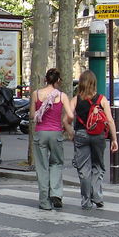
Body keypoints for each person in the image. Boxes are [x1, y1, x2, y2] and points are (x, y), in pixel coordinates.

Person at [67, 69, 118, 210]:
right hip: (98, 135)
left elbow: (67, 119)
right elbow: (110, 120)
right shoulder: (102, 99)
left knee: (83, 169)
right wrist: (114, 139)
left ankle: (86, 200)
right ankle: (97, 195)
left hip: (81, 134)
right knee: (98, 166)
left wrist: (71, 132)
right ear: (94, 83)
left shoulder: (75, 100)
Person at [31, 68, 73, 210]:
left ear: (46, 79)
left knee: (42, 167)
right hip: (56, 133)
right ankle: (55, 192)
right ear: (58, 80)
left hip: (40, 132)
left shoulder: (36, 94)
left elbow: (32, 115)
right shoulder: (62, 96)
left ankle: (44, 201)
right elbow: (71, 115)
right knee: (56, 163)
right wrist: (63, 123)